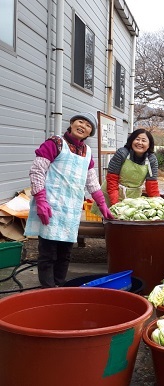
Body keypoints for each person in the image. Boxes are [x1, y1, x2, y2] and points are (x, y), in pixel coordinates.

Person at [24, 112, 113, 288]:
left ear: (90, 133)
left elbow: (92, 181)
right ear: (72, 123)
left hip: (71, 210)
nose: (83, 126)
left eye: (88, 126)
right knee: (48, 252)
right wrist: (41, 200)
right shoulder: (55, 143)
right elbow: (37, 171)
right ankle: (48, 290)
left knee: (65, 252)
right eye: (80, 122)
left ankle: (60, 285)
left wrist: (102, 204)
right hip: (51, 205)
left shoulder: (87, 152)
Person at [93, 128, 160, 212]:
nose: (139, 143)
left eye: (143, 140)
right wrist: (116, 204)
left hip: (133, 196)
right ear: (131, 141)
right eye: (137, 139)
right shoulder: (122, 153)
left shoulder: (151, 159)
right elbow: (112, 180)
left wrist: (158, 204)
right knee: (109, 220)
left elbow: (152, 185)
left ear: (149, 144)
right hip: (111, 192)